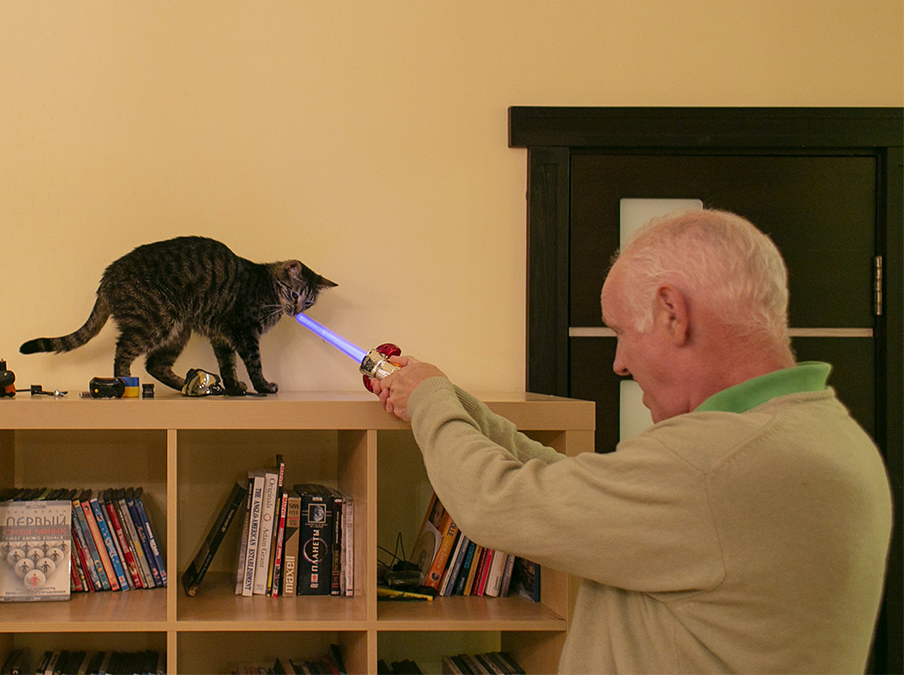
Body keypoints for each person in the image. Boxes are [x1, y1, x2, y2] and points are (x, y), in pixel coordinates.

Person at [372, 209, 892, 674]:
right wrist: (453, 401)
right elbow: (570, 487)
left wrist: (431, 398)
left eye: (620, 332)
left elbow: (493, 503)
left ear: (672, 312)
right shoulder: (821, 434)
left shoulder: (714, 463)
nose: (619, 363)